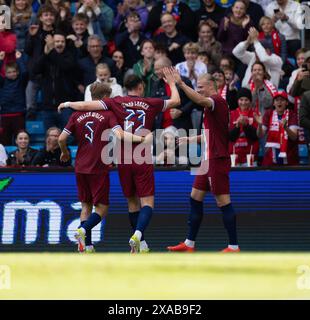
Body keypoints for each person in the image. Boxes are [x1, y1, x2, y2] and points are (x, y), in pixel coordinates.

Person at [58, 70, 181, 253]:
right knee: (147, 202)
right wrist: (172, 83)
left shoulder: (116, 102)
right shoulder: (150, 103)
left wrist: (67, 103)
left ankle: (141, 244)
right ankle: (138, 235)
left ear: (124, 88)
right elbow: (176, 102)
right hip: (142, 157)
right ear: (141, 87)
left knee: (132, 202)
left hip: (122, 158)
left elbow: (84, 106)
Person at [58, 82, 148, 253]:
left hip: (80, 166)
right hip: (98, 166)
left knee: (86, 205)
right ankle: (83, 231)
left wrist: (64, 153)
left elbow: (61, 139)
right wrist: (141, 139)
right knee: (102, 208)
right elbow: (120, 134)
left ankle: (87, 246)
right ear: (106, 97)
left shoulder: (77, 115)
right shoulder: (108, 114)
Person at [167, 71, 240, 253]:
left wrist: (182, 85)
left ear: (210, 85)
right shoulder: (211, 107)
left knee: (223, 201)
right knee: (194, 197)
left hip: (217, 160)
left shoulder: (217, 101)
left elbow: (200, 100)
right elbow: (212, 134)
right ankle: (189, 244)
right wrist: (191, 140)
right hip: (207, 160)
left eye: (200, 86)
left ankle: (233, 246)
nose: (198, 90)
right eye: (197, 87)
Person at [33, 31, 78, 130]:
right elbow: (35, 70)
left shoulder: (69, 56)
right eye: (57, 41)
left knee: (68, 136)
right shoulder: (46, 56)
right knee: (49, 137)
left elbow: (64, 66)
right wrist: (45, 54)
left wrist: (52, 49)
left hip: (65, 106)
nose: (60, 44)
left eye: (62, 42)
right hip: (48, 107)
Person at [150, 56, 194, 132]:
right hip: (161, 127)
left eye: (157, 69)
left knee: (181, 144)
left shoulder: (184, 82)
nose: (155, 72)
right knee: (160, 144)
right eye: (155, 69)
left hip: (181, 127)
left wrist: (181, 111)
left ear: (167, 68)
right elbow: (153, 102)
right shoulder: (156, 84)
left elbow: (193, 100)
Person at [257, 91, 299, 166]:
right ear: (273, 103)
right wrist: (259, 125)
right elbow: (260, 135)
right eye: (277, 100)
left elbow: (294, 137)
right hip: (271, 157)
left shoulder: (292, 114)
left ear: (286, 103)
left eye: (282, 100)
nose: (279, 102)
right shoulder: (268, 114)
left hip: (289, 157)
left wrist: (285, 128)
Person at [0, 51, 27, 146]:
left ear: (17, 72)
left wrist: (19, 59)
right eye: (9, 72)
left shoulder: (21, 81)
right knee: (4, 141)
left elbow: (24, 72)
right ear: (5, 73)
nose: (12, 74)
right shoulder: (2, 82)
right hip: (5, 115)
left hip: (18, 114)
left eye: (14, 72)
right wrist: (0, 61)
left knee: (20, 141)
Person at [229, 88, 260, 166]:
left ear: (250, 101)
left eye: (246, 100)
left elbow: (255, 136)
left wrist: (245, 125)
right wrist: (238, 126)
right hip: (234, 157)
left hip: (250, 157)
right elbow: (230, 137)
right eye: (241, 99)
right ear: (237, 100)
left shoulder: (255, 114)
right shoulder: (232, 114)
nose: (243, 102)